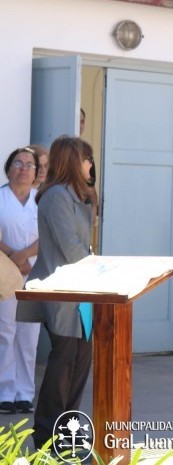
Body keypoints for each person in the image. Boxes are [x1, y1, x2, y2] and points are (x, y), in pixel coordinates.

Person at [16, 136, 94, 449]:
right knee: (64, 363)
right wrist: (101, 268)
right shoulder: (57, 196)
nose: (91, 165)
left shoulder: (78, 195)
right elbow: (72, 249)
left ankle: (69, 432)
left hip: (85, 294)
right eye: (86, 159)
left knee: (80, 361)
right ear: (73, 161)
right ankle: (48, 435)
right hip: (63, 294)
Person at [0, 147, 40, 415]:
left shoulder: (42, 200)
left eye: (29, 164)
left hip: (35, 273)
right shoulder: (1, 197)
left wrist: (25, 255)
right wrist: (14, 256)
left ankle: (25, 393)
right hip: (4, 271)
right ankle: (5, 392)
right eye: (18, 163)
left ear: (36, 172)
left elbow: (48, 233)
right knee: (5, 331)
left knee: (29, 334)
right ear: (8, 168)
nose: (24, 168)